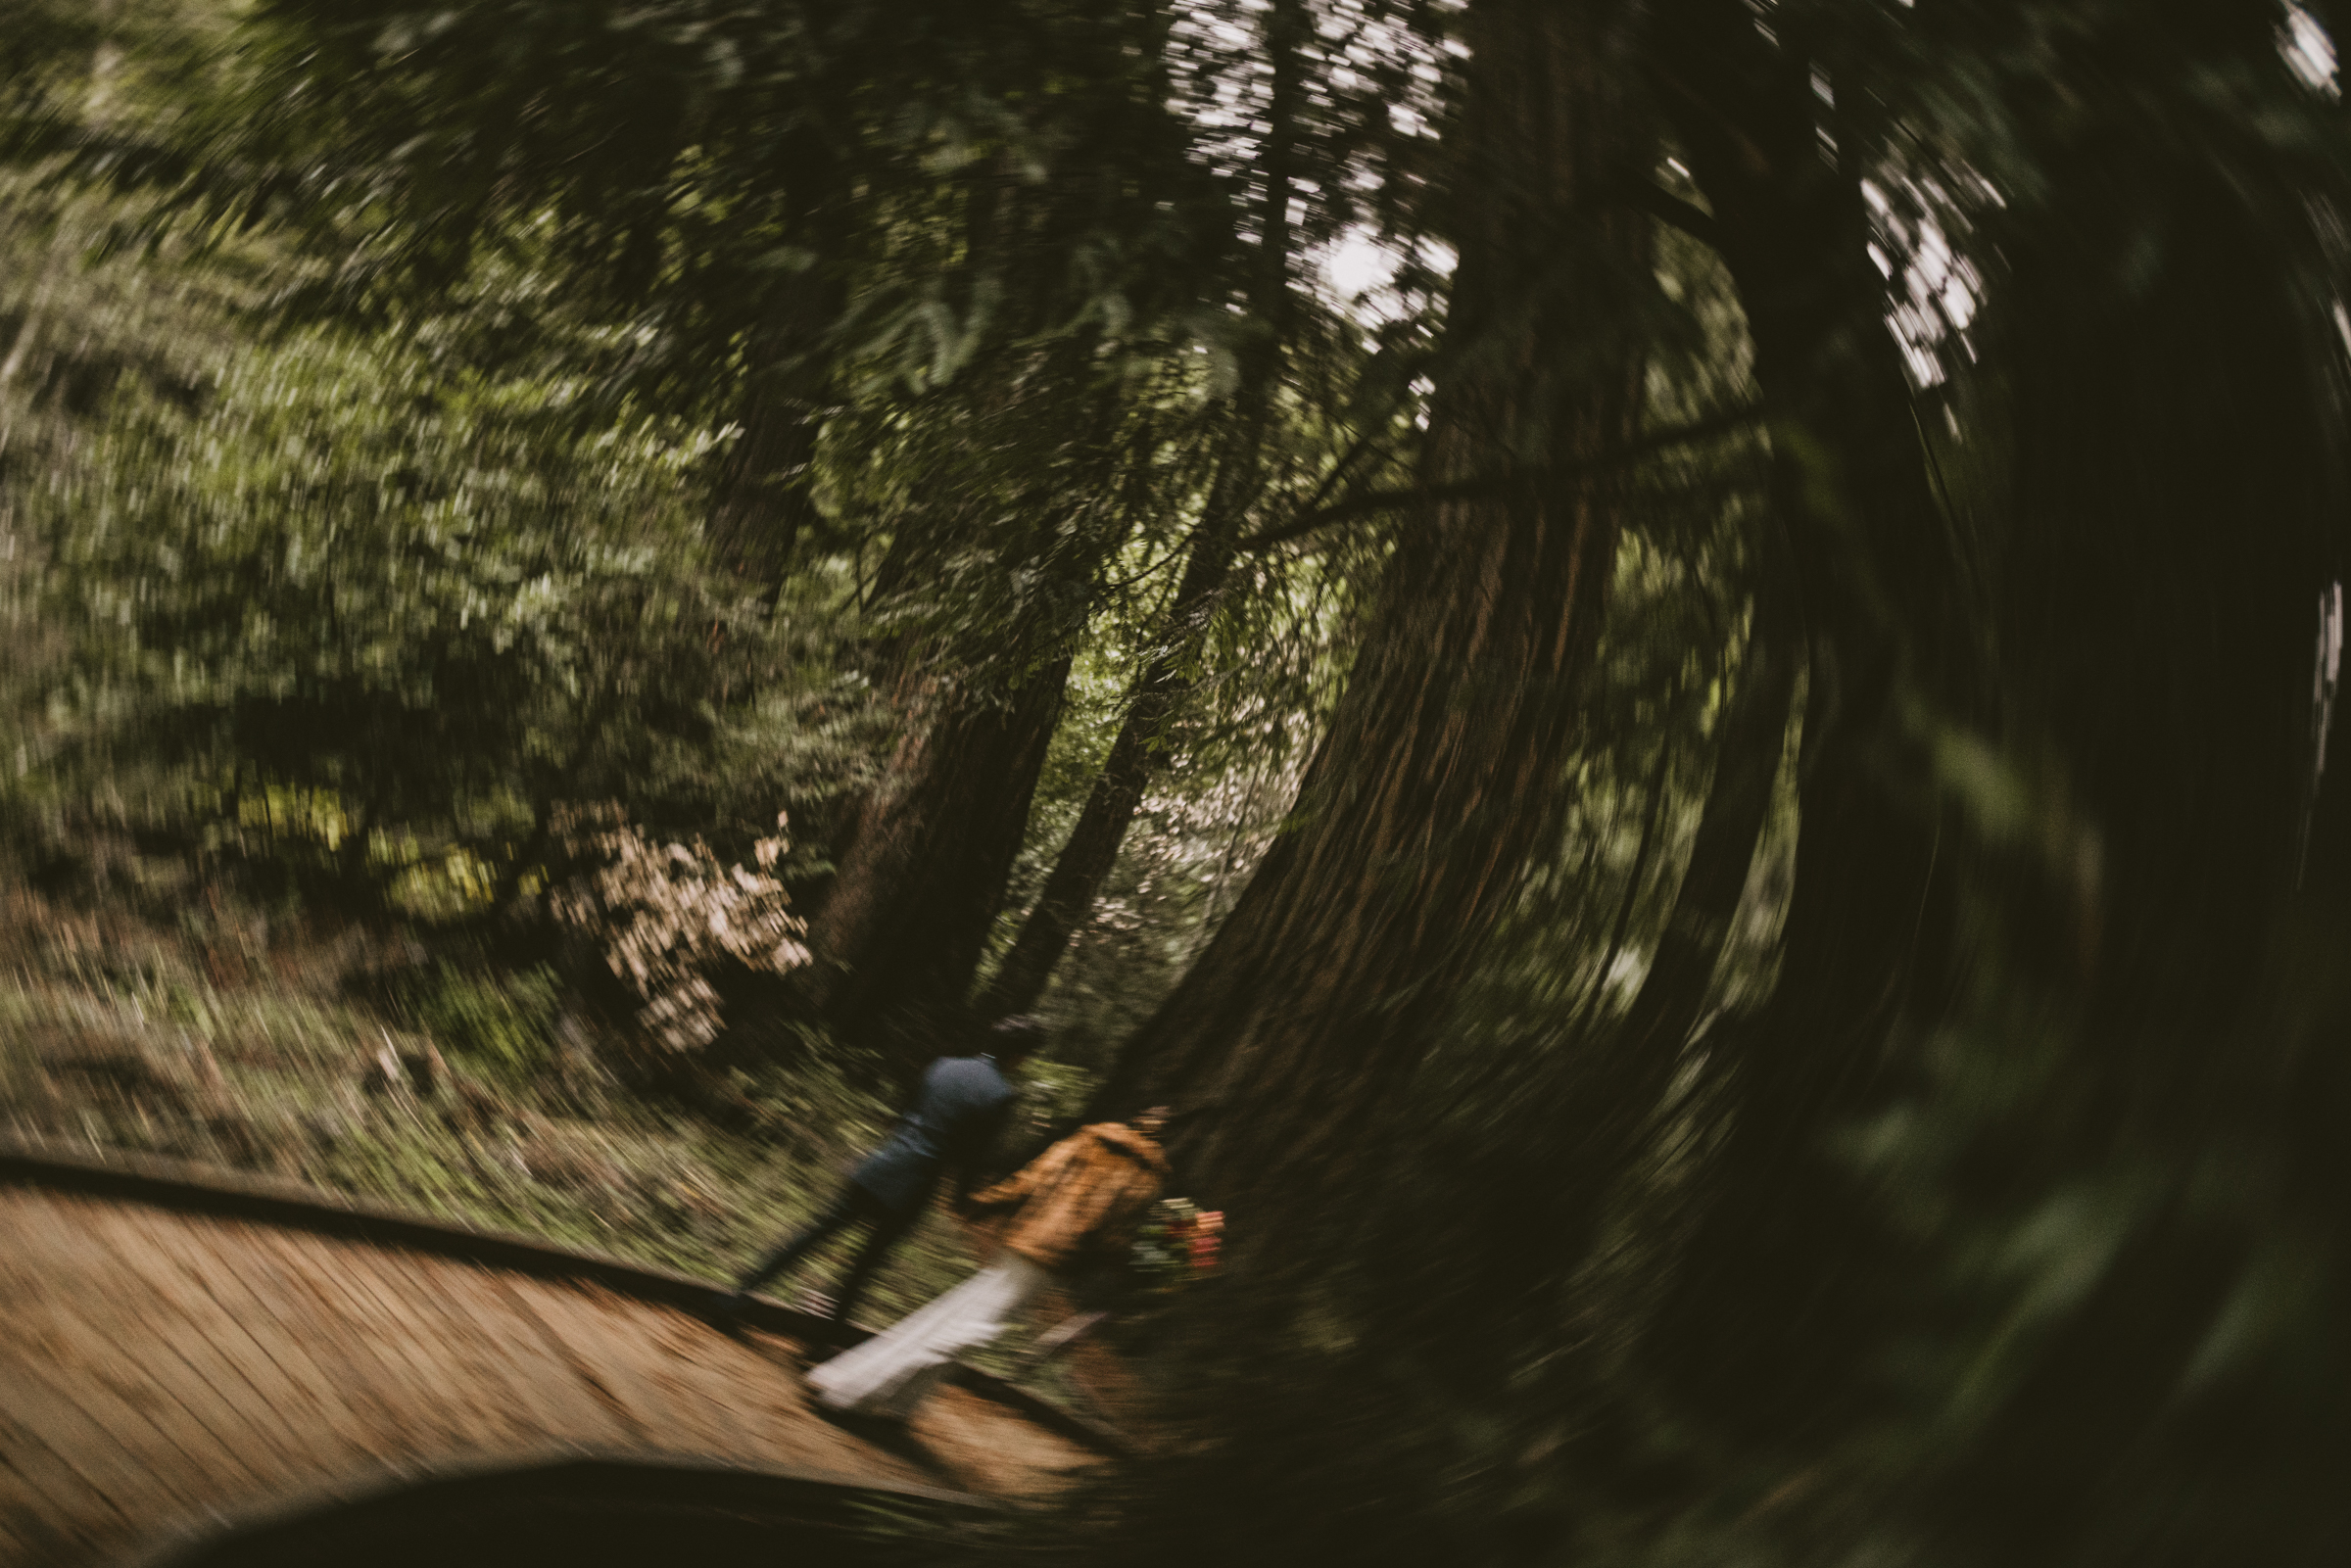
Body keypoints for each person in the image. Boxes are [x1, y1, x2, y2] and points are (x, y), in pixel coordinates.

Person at [805, 1107, 1172, 1423]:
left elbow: (1032, 1178)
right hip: (1051, 1263)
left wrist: (986, 1201)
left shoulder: (1091, 1139)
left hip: (1022, 1241)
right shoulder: (1147, 1178)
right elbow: (1112, 1237)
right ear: (1160, 1138)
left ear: (1135, 1122)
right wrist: (1124, 1267)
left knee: (958, 1317)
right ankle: (850, 1391)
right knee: (963, 1329)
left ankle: (900, 1405)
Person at [717, 1016, 1042, 1336]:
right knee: (863, 1269)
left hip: (882, 1164)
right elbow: (970, 1157)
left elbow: (908, 1114)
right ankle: (821, 1349)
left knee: (813, 1235)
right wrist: (964, 1202)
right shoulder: (1000, 1095)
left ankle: (737, 1296)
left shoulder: (944, 1065)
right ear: (1019, 1055)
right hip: (914, 1185)